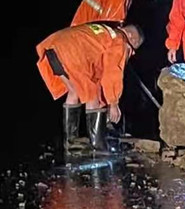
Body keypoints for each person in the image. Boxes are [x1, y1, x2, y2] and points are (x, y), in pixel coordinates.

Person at [36, 22, 144, 152]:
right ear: (132, 37)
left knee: (74, 92)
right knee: (92, 94)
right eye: (133, 48)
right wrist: (113, 103)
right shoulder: (119, 41)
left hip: (54, 46)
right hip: (73, 51)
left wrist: (106, 102)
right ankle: (97, 147)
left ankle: (70, 142)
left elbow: (99, 71)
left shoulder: (107, 32)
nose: (131, 53)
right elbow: (112, 72)